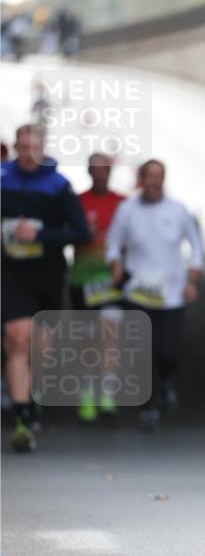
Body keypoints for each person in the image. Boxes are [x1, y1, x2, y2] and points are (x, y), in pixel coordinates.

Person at [1, 124, 89, 451]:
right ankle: (22, 416)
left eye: (34, 148)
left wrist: (39, 236)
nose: (29, 154)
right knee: (16, 337)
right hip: (9, 272)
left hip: (47, 274)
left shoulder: (58, 185)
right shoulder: (2, 177)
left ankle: (31, 397)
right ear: (15, 147)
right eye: (23, 147)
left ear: (43, 148)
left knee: (41, 347)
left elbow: (80, 232)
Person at [105, 159, 204, 430]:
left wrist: (192, 280)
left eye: (159, 176)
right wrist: (114, 265)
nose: (154, 182)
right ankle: (147, 408)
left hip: (170, 293)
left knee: (168, 352)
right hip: (137, 292)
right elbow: (112, 243)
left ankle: (165, 381)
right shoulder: (127, 210)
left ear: (164, 179)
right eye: (149, 176)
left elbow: (196, 247)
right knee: (141, 352)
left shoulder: (178, 209)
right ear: (141, 179)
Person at [68, 152, 125, 422]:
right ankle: (87, 391)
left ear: (110, 172)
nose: (100, 174)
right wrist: (81, 233)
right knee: (88, 341)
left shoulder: (122, 203)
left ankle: (108, 392)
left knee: (110, 333)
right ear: (89, 171)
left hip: (110, 281)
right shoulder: (77, 202)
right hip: (82, 280)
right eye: (96, 170)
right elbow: (65, 234)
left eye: (105, 170)